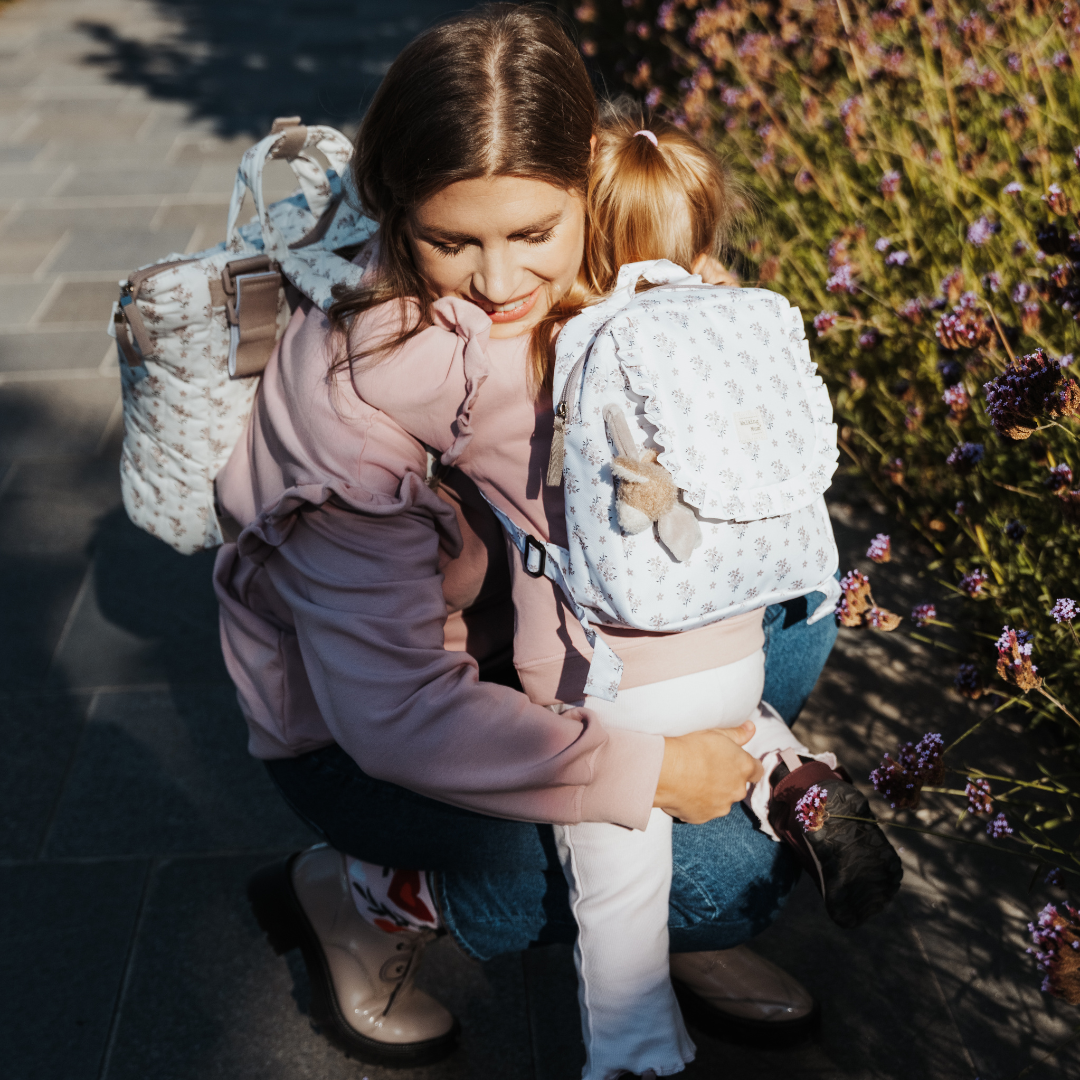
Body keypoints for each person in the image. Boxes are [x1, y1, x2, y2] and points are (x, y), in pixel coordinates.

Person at [214, 5, 838, 1070]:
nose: (500, 285)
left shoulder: (611, 253)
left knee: (791, 632)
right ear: (395, 209)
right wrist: (650, 773)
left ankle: (656, 918)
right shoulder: (350, 408)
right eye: (451, 241)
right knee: (717, 876)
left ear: (584, 188)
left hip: (559, 646)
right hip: (371, 732)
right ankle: (360, 896)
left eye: (532, 235)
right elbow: (398, 714)